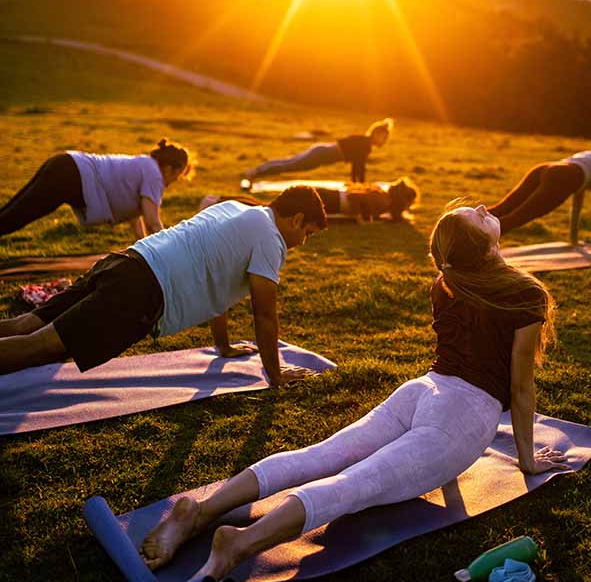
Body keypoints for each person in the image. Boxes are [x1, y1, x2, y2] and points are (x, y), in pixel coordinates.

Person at [139, 200, 567, 582]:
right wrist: (526, 461)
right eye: (477, 215)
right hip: (463, 414)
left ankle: (201, 510)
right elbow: (520, 386)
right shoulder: (523, 294)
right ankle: (240, 542)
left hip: (423, 390)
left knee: (321, 455)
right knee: (356, 483)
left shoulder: (447, 282)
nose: (481, 206)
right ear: (483, 246)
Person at [0, 186, 327, 385]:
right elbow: (265, 316)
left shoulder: (239, 210)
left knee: (27, 324)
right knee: (39, 346)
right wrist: (277, 374)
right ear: (296, 219)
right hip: (138, 291)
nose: (304, 241)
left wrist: (223, 346)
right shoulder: (270, 239)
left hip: (124, 261)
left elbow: (219, 291)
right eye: (308, 233)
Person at [0, 138, 193, 241]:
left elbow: (136, 216)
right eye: (178, 174)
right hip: (71, 174)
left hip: (66, 164)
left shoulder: (145, 165)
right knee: (15, 217)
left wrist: (142, 246)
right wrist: (169, 250)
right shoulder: (154, 175)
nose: (176, 180)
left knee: (13, 211)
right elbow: (153, 223)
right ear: (169, 168)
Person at [489, 134, 591, 255]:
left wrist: (573, 240)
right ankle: (475, 248)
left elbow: (577, 201)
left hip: (545, 168)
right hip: (563, 176)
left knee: (502, 208)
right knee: (517, 217)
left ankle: (466, 221)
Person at [242, 118, 394, 186]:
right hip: (321, 154)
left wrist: (358, 184)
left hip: (320, 152)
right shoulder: (364, 144)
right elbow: (358, 167)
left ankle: (256, 171)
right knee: (290, 165)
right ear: (375, 133)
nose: (381, 140)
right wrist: (360, 186)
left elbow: (357, 168)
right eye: (380, 136)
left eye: (384, 138)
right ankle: (255, 172)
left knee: (289, 163)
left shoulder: (364, 142)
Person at [208, 177, 419, 223]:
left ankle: (220, 200)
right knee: (269, 209)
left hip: (330, 196)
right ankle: (218, 201)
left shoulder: (383, 195)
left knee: (269, 208)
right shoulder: (384, 201)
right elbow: (356, 199)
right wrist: (362, 218)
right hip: (328, 199)